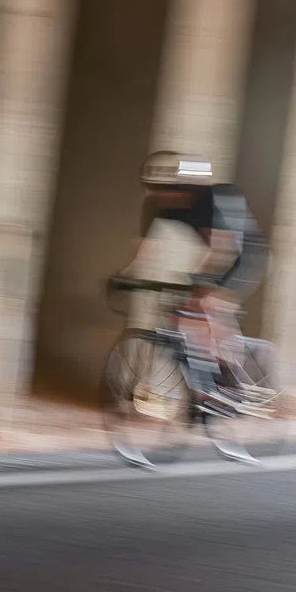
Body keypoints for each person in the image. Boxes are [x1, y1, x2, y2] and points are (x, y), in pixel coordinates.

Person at [118, 151, 270, 412]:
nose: (168, 196)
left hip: (244, 258)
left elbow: (222, 248)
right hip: (213, 259)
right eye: (158, 189)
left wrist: (204, 287)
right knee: (179, 315)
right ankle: (198, 390)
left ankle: (229, 381)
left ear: (188, 185)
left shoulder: (216, 198)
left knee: (204, 307)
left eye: (174, 189)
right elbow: (145, 247)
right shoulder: (157, 206)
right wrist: (127, 275)